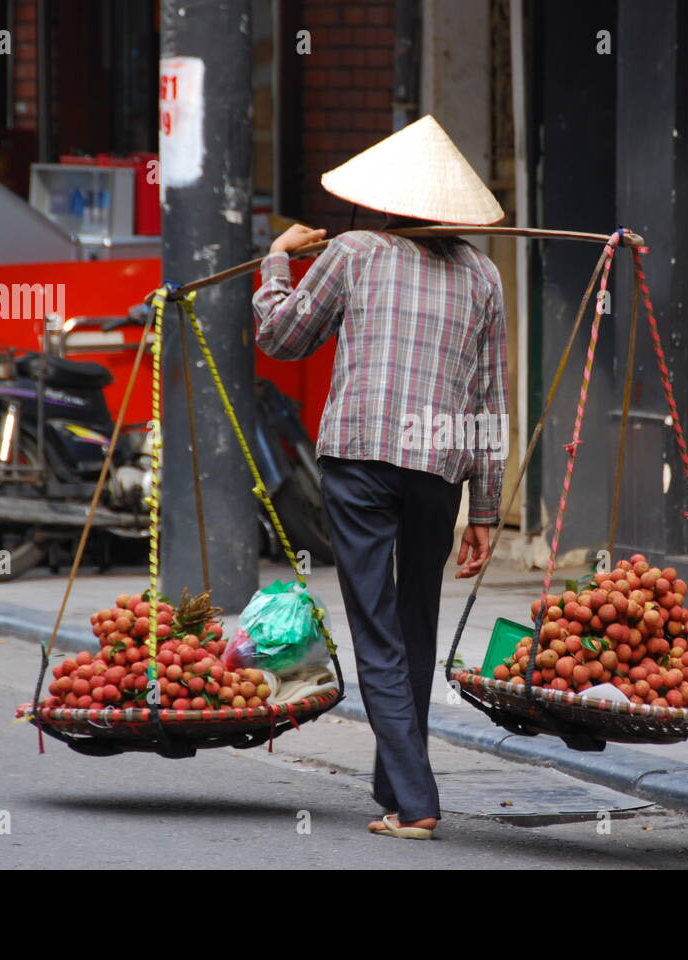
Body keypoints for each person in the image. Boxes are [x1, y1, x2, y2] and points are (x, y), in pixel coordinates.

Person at [251, 116, 508, 840]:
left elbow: (282, 335)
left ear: (386, 201)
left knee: (377, 624)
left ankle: (417, 800)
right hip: (439, 469)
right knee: (413, 620)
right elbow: (493, 398)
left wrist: (276, 259)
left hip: (361, 459)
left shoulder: (357, 252)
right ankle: (396, 786)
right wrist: (484, 509)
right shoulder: (483, 274)